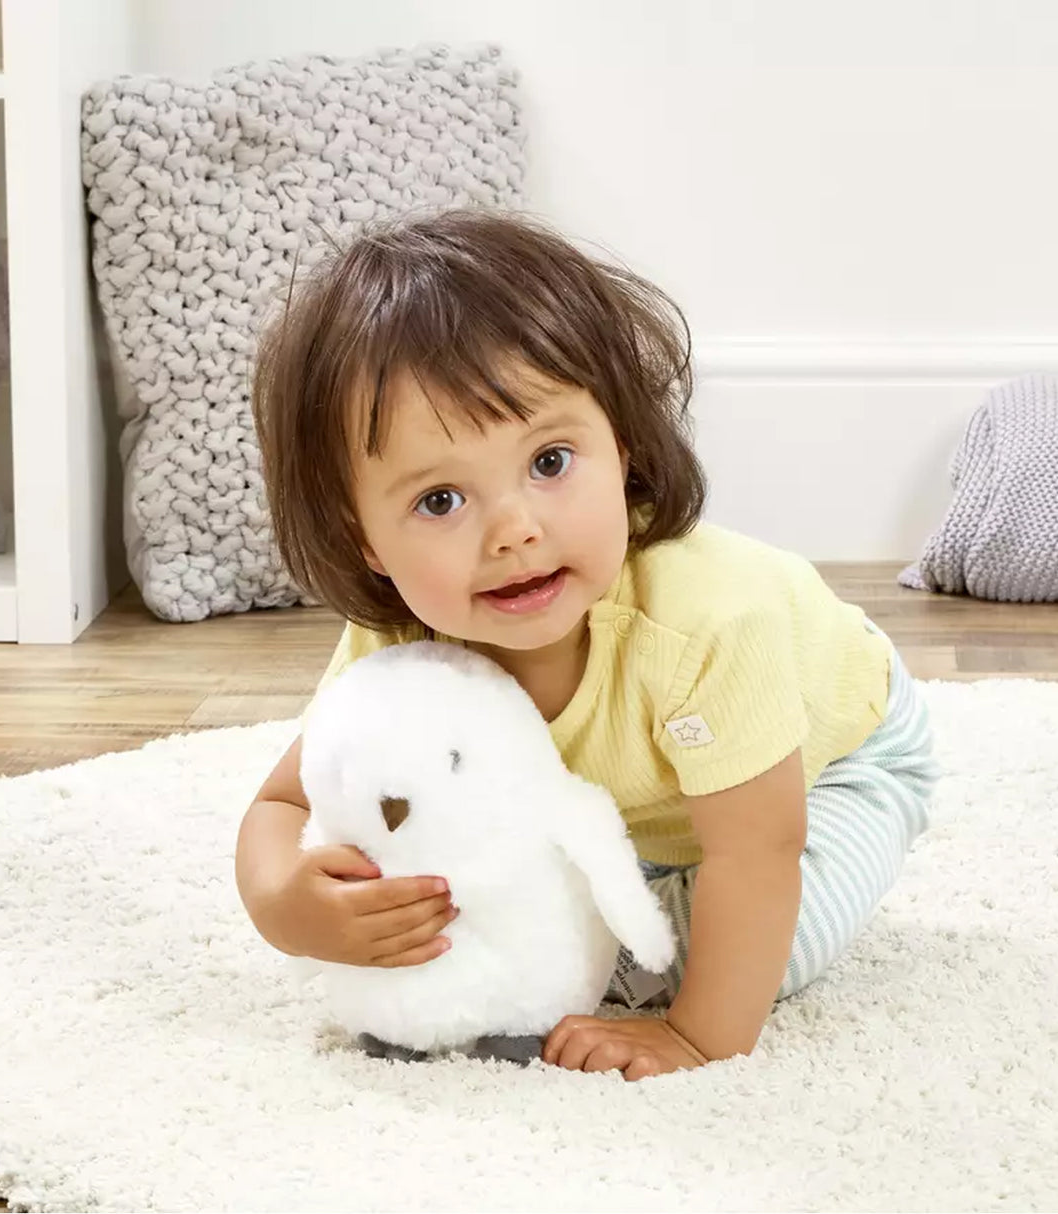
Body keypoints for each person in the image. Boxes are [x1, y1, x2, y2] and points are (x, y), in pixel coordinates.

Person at [234, 208, 938, 1081]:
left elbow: (758, 850)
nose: (515, 531)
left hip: (832, 763)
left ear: (624, 442)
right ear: (366, 540)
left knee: (741, 957)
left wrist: (695, 1034)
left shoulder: (711, 623)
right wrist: (279, 900)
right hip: (642, 799)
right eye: (440, 501)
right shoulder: (398, 639)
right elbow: (282, 805)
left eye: (551, 461)